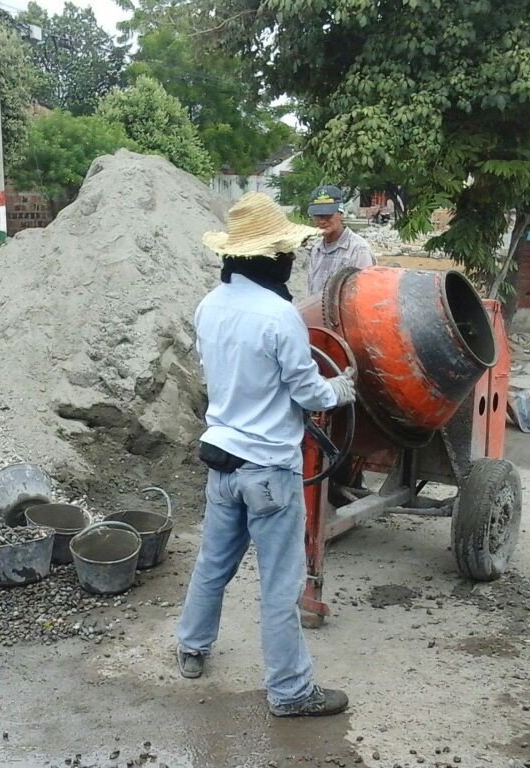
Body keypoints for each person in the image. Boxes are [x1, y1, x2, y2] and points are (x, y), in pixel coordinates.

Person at [176, 192, 356, 717]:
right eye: (284, 252)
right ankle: (291, 691)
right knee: (280, 586)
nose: (290, 259)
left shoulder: (209, 305)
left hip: (222, 461)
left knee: (213, 565)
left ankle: (191, 646)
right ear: (268, 258)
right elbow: (310, 394)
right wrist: (342, 388)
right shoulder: (280, 317)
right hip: (270, 473)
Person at [306, 184, 375, 295]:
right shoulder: (316, 250)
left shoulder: (358, 250)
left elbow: (364, 294)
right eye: (317, 215)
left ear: (341, 213)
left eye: (327, 215)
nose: (322, 221)